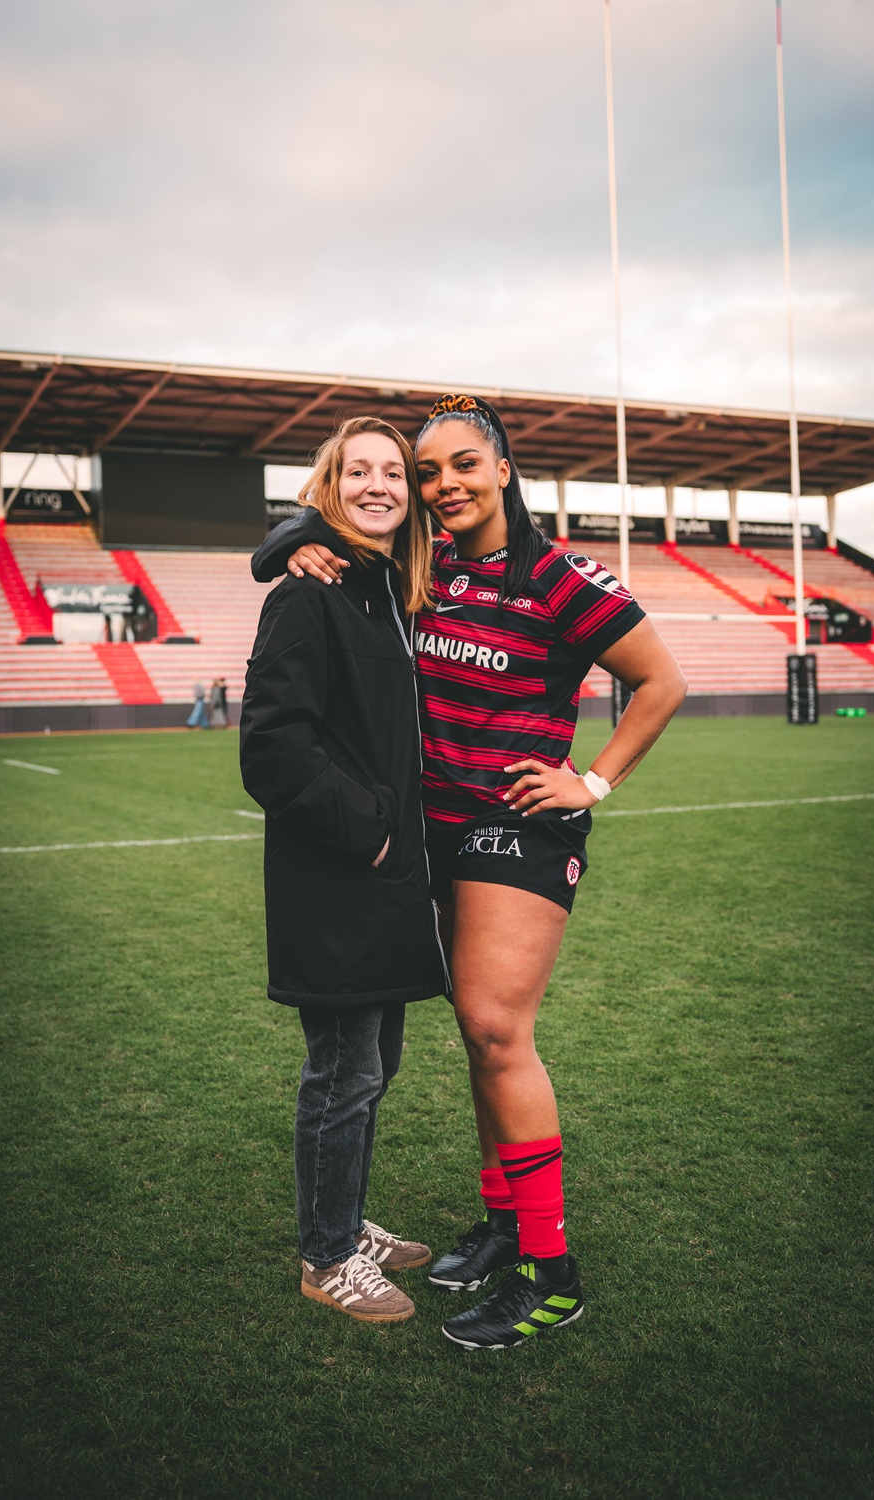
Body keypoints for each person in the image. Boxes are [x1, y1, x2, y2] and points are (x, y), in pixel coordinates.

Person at [275, 394, 687, 1350]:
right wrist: (291, 547)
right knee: (476, 1036)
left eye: (463, 464)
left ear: (504, 468)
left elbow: (660, 682)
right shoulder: (424, 564)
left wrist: (591, 781)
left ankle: (552, 1271)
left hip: (517, 830)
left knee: (500, 1030)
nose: (442, 484)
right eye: (429, 472)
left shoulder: (560, 576)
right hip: (436, 832)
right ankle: (505, 1226)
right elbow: (334, 515)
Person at [241, 416, 448, 1325]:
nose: (378, 486)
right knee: (342, 1071)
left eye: (393, 473)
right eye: (357, 471)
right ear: (330, 485)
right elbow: (272, 751)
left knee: (376, 1065)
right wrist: (369, 830)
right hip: (340, 874)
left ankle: (347, 1219)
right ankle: (327, 1257)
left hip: (391, 877)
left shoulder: (382, 592)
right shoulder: (307, 590)